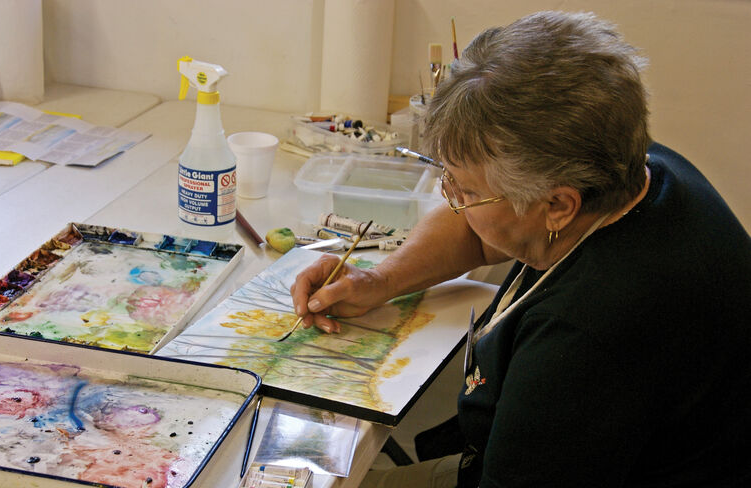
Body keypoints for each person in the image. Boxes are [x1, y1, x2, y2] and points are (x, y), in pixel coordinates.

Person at [291, 11, 750, 488]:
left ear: (557, 205)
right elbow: (476, 232)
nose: (451, 199)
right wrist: (379, 280)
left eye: (465, 190)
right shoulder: (632, 170)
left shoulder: (589, 337)